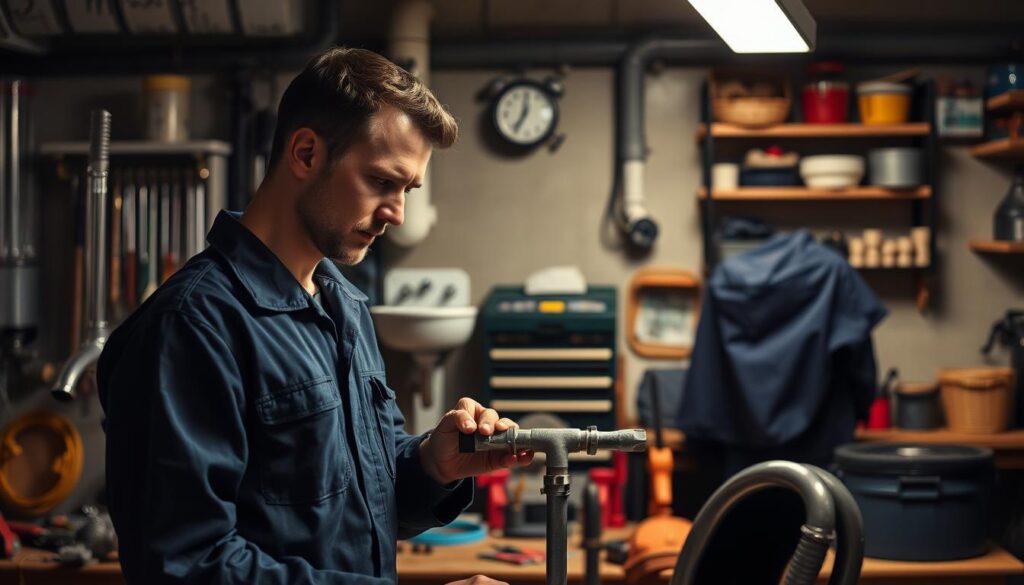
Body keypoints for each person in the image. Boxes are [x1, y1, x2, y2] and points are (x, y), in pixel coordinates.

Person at [97, 47, 531, 585]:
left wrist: (432, 465)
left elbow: (361, 504)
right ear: (305, 153)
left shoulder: (343, 308)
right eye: (381, 182)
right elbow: (188, 565)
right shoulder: (191, 328)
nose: (397, 213)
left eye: (407, 190)